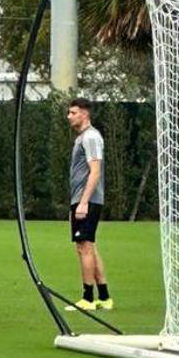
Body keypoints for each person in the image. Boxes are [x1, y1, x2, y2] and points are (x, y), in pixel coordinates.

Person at [67, 97, 111, 311]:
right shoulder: (83, 137)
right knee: (88, 247)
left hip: (87, 199)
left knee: (84, 247)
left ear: (85, 114)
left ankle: (87, 298)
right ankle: (104, 297)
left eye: (73, 113)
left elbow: (95, 171)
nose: (69, 117)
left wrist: (83, 202)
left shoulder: (91, 137)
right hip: (82, 198)